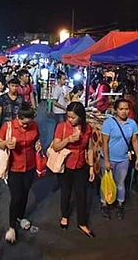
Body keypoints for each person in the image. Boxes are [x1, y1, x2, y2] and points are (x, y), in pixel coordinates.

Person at [0, 103, 40, 244]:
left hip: (30, 166)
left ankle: (21, 217)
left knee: (25, 193)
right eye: (23, 123)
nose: (25, 126)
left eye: (28, 123)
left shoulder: (34, 125)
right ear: (18, 117)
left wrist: (38, 143)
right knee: (16, 197)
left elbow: (36, 138)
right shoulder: (8, 127)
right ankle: (11, 227)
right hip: (14, 167)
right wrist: (6, 144)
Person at [52, 102, 96, 238]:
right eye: (68, 116)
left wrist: (91, 167)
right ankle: (65, 216)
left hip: (81, 165)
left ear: (80, 117)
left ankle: (82, 222)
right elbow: (56, 147)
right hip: (65, 164)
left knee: (81, 194)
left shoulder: (87, 128)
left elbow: (89, 148)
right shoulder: (61, 126)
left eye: (73, 117)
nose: (69, 119)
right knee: (66, 192)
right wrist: (69, 139)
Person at [100, 99, 138, 220]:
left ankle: (120, 204)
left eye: (126, 109)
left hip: (123, 159)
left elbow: (134, 141)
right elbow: (104, 143)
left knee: (120, 183)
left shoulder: (132, 124)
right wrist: (106, 160)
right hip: (109, 158)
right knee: (106, 181)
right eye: (121, 109)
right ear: (116, 110)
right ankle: (104, 204)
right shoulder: (108, 123)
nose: (124, 112)